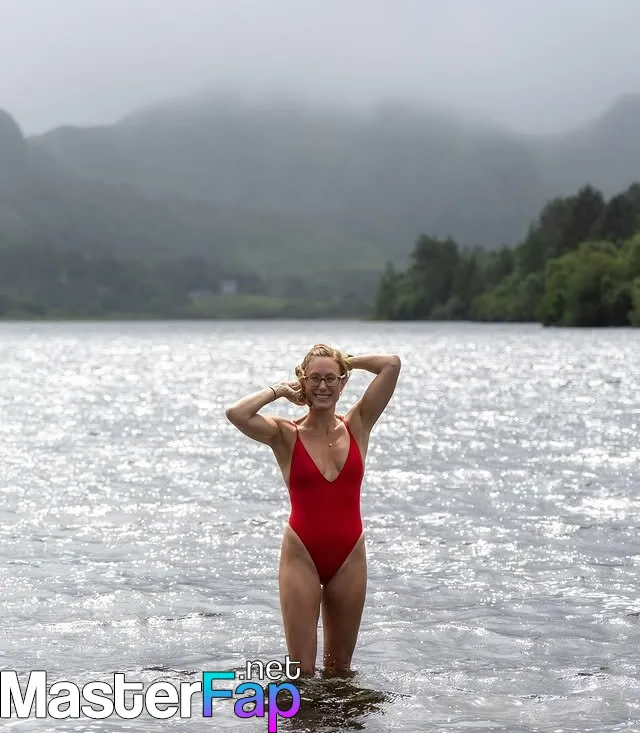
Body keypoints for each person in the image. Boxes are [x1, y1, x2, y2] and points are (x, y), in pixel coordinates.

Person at [224, 344, 401, 676]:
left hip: (349, 556)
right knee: (302, 671)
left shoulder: (359, 424)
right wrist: (279, 390)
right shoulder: (285, 434)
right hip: (301, 554)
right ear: (303, 382)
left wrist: (345, 361)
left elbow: (391, 364)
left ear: (343, 383)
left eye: (331, 378)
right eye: (315, 378)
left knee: (340, 669)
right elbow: (237, 413)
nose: (323, 386)